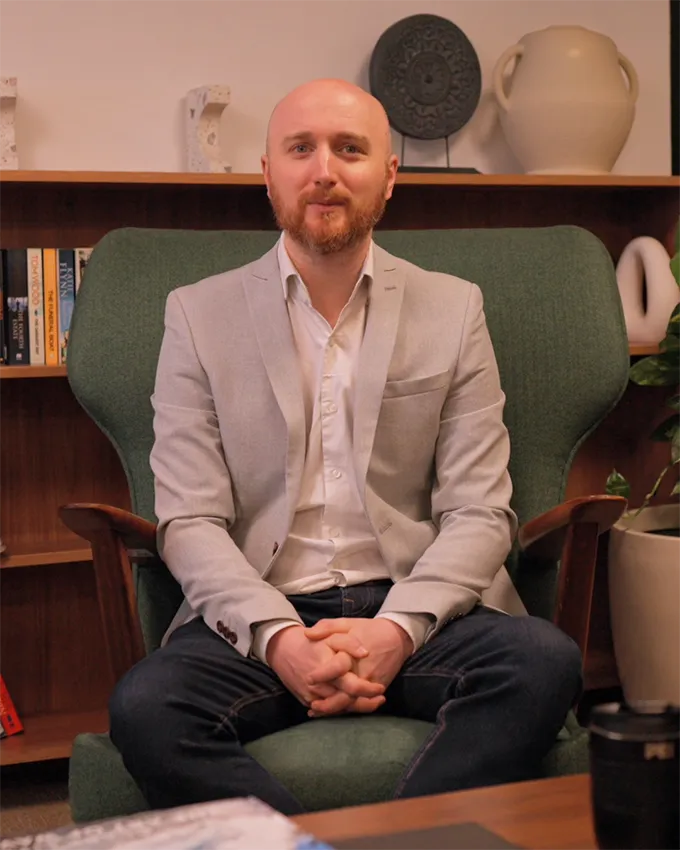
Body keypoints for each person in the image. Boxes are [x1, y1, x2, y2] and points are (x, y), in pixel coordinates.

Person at [109, 78, 582, 815]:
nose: (324, 170)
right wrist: (281, 642)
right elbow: (190, 519)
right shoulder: (197, 317)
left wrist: (396, 630)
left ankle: (401, 840)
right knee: (146, 708)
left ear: (388, 176)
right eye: (301, 148)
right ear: (268, 173)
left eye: (350, 149)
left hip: (417, 606)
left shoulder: (454, 310)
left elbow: (480, 510)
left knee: (543, 663)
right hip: (261, 612)